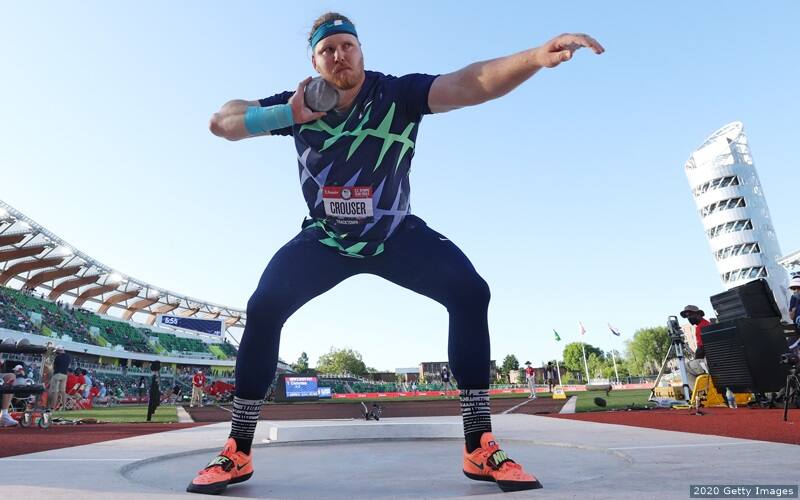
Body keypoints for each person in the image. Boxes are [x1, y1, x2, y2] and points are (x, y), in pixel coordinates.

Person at [188, 12, 602, 495]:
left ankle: (479, 445)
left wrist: (534, 57)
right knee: (263, 308)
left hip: (394, 234)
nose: (339, 55)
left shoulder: (396, 95)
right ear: (315, 62)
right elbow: (222, 122)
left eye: (347, 45)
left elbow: (471, 83)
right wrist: (290, 114)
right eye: (328, 50)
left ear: (362, 51)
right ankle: (237, 450)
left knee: (470, 292)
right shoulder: (297, 106)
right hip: (327, 238)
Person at [48, 345, 70, 410]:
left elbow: (52, 367)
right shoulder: (68, 357)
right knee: (63, 391)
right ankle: (64, 406)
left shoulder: (57, 357)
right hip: (65, 375)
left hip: (57, 374)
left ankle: (52, 407)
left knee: (55, 391)